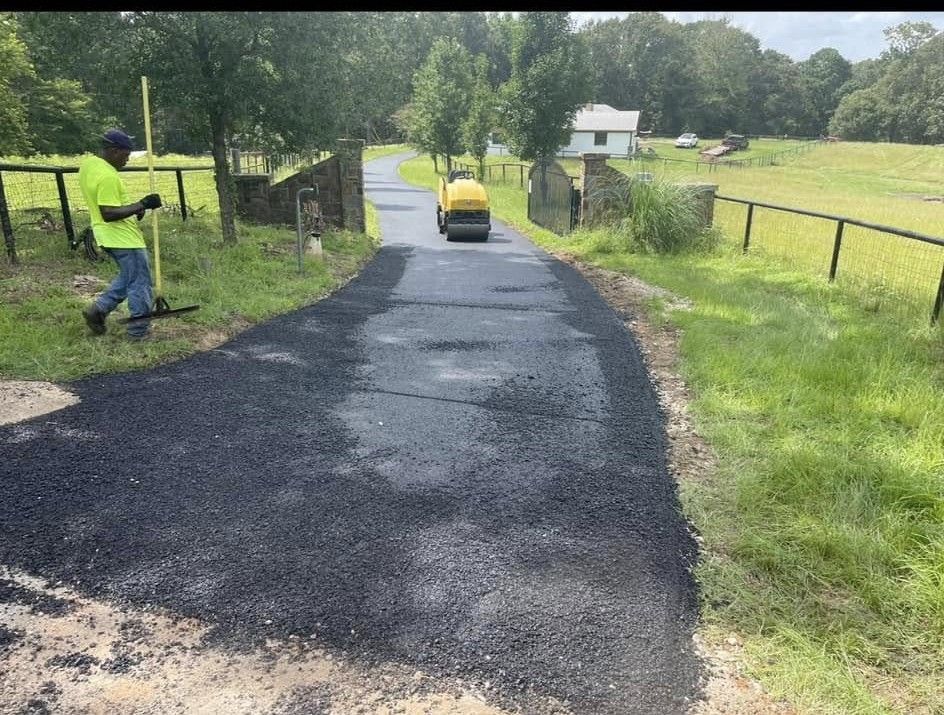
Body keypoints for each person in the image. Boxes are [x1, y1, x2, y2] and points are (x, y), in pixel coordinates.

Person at [79, 129, 162, 340]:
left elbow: (110, 206)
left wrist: (136, 208)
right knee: (140, 283)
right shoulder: (107, 176)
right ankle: (138, 332)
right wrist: (143, 204)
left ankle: (97, 310)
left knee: (129, 277)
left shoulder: (90, 165)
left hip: (107, 235)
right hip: (123, 238)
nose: (126, 160)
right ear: (113, 151)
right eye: (125, 156)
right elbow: (108, 212)